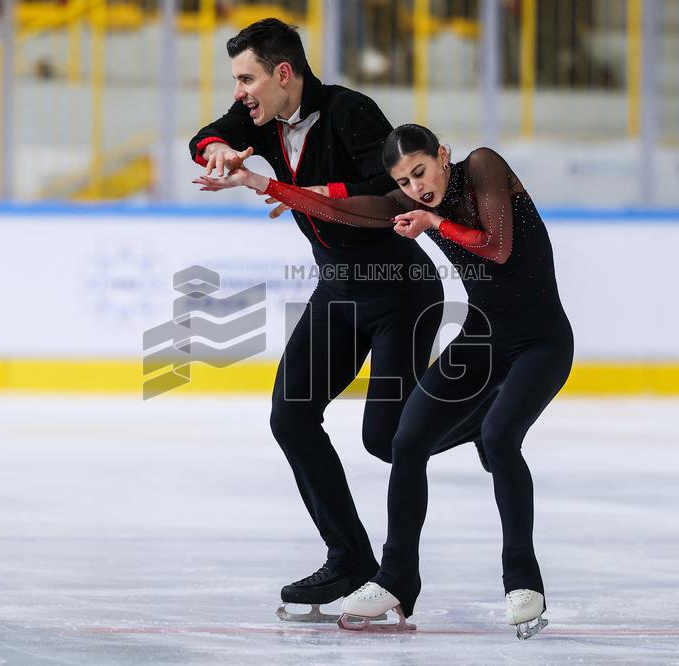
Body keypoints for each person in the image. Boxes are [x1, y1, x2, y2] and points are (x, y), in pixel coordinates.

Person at [194, 124, 574, 639]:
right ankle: (395, 579)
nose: (417, 187)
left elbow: (498, 247)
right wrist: (264, 185)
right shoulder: (415, 203)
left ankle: (523, 583)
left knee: (501, 438)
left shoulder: (483, 165)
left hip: (542, 343)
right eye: (405, 181)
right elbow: (348, 209)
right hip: (483, 340)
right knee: (405, 440)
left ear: (443, 155)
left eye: (421, 171)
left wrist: (433, 222)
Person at [189, 20, 444, 622]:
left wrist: (299, 191)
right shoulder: (254, 116)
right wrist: (217, 150)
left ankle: (482, 426)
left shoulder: (351, 111)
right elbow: (204, 136)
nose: (240, 92)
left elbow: (390, 195)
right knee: (291, 415)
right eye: (235, 81)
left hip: (398, 293)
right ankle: (351, 559)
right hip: (338, 290)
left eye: (247, 78)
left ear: (284, 74)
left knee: (385, 440)